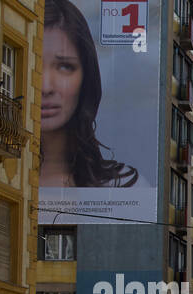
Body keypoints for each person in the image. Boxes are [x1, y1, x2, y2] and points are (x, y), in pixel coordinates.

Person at [40, 0, 140, 189]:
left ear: (87, 77)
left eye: (64, 66)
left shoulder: (122, 187)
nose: (46, 87)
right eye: (34, 64)